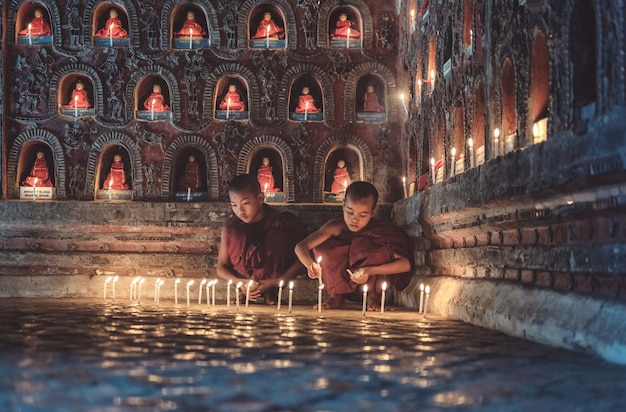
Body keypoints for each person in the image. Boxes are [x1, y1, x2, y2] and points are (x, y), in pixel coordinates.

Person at [295, 181, 414, 311]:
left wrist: (370, 270)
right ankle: (336, 297)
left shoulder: (382, 231)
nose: (354, 219)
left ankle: (373, 297)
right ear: (343, 206)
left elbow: (405, 265)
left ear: (372, 212)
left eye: (363, 215)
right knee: (322, 247)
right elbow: (301, 246)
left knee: (381, 250)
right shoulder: (336, 226)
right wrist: (310, 265)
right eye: (350, 212)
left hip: (370, 282)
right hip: (343, 281)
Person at [217, 174, 307, 304]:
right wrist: (240, 283)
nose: (240, 211)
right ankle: (246, 294)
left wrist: (276, 282)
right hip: (244, 283)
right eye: (234, 205)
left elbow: (300, 262)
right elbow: (221, 268)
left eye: (245, 203)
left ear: (260, 198)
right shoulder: (232, 226)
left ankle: (271, 294)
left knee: (277, 236)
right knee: (238, 235)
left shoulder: (283, 221)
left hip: (275, 282)